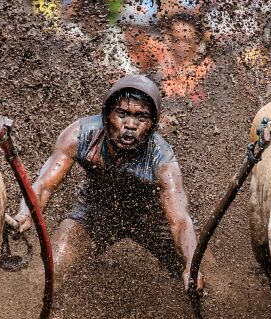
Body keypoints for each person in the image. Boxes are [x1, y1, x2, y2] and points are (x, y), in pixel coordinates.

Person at [12, 75, 204, 292]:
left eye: (141, 117)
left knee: (199, 275)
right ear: (107, 115)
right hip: (95, 212)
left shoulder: (162, 159)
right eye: (122, 114)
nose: (130, 125)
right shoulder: (80, 135)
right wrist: (25, 215)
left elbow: (179, 221)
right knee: (50, 270)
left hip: (152, 219)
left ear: (152, 125)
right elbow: (44, 185)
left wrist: (191, 264)